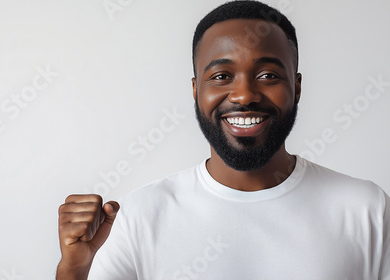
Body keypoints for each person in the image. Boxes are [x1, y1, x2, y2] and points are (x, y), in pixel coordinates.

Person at [56, 1, 390, 279]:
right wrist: (74, 269)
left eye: (268, 75)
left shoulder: (365, 208)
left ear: (297, 87)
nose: (244, 94)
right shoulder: (137, 217)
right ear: (195, 90)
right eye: (221, 76)